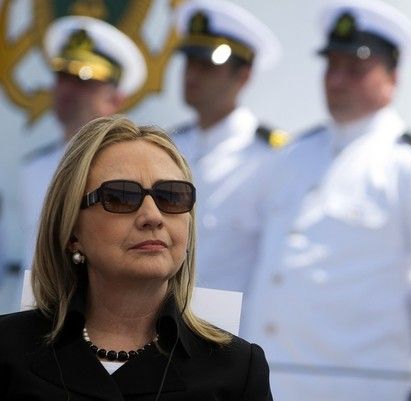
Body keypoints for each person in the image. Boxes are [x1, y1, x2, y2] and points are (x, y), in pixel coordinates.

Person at [241, 1, 411, 400]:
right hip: (267, 381)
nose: (338, 80)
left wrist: (392, 352)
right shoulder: (294, 154)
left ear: (392, 77)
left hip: (353, 385)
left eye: (356, 69)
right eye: (332, 65)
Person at [0, 115, 272, 400]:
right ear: (71, 232)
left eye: (172, 197)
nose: (153, 217)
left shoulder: (238, 368)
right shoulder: (7, 349)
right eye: (120, 197)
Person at [170, 0, 289, 293]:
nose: (192, 74)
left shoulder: (273, 158)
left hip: (232, 332)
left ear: (244, 75)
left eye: (207, 64)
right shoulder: (166, 146)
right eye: (189, 61)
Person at [20, 15, 147, 270]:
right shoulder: (32, 168)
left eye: (83, 80)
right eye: (62, 76)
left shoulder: (133, 173)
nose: (67, 89)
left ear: (115, 99)